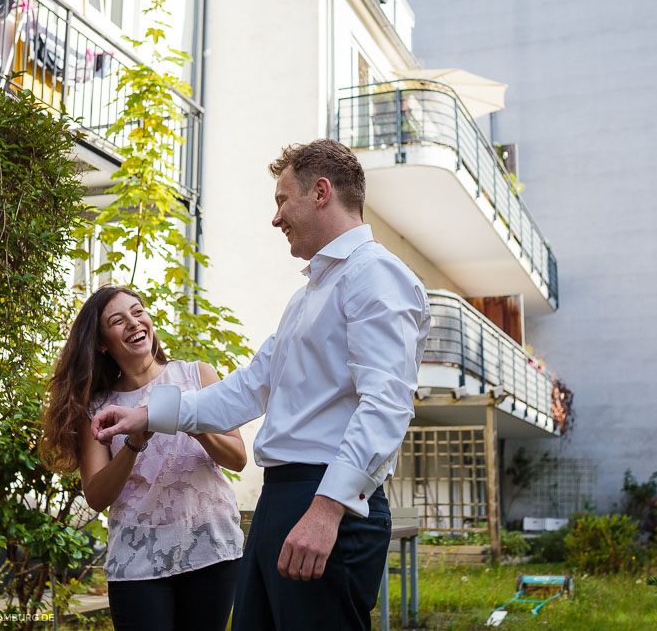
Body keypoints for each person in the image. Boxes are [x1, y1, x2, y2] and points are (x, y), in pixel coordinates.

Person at [92, 139, 431, 630]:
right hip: (281, 501)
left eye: (281, 200)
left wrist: (327, 509)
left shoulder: (376, 275)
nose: (276, 219)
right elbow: (248, 388)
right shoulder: (307, 296)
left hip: (324, 501)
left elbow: (386, 406)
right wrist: (146, 416)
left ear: (320, 192)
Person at [40, 285, 246, 631]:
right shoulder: (98, 408)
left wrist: (190, 421)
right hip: (138, 560)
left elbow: (238, 458)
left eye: (138, 312)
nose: (134, 323)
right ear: (103, 343)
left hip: (210, 548)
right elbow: (96, 495)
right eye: (118, 320)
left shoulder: (197, 376)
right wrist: (134, 442)